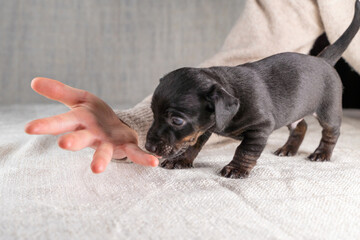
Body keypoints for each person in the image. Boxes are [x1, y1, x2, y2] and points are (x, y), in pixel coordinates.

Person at [25, 0, 360, 173]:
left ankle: (325, 143)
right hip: (286, 80)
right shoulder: (222, 102)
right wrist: (131, 121)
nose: (157, 136)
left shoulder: (244, 111)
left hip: (322, 86)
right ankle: (295, 137)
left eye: (170, 121)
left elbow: (213, 114)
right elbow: (244, 58)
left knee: (328, 125)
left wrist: (241, 163)